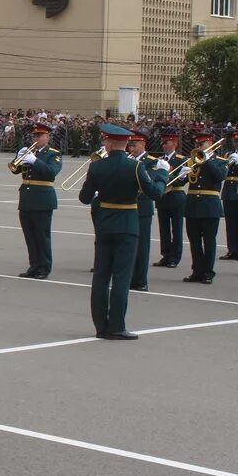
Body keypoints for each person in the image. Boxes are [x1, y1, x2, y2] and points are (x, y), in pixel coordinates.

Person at [78, 123, 169, 339]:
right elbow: (156, 194)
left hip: (104, 225)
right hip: (127, 225)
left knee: (101, 276)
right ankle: (117, 326)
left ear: (108, 143)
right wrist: (162, 175)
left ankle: (101, 326)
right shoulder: (135, 167)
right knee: (121, 278)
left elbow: (84, 198)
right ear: (126, 144)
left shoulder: (96, 166)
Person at [13, 121, 62, 279]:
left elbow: (50, 173)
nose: (36, 138)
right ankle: (33, 266)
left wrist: (34, 161)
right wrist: (19, 158)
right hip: (27, 198)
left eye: (39, 135)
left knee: (42, 236)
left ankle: (44, 267)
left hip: (42, 198)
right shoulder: (30, 151)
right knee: (30, 236)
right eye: (34, 136)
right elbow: (16, 170)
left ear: (47, 136)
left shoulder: (53, 154)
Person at [183, 129, 227, 285]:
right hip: (192, 205)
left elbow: (219, 176)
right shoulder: (192, 161)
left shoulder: (220, 161)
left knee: (209, 241)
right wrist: (181, 174)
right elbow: (182, 182)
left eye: (202, 144)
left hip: (210, 206)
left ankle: (208, 272)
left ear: (211, 145)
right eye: (198, 144)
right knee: (194, 241)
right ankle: (197, 271)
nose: (199, 147)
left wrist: (207, 161)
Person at [153, 128, 188, 269]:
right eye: (162, 142)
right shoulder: (160, 161)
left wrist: (165, 177)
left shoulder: (181, 159)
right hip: (163, 197)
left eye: (166, 142)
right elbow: (154, 177)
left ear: (174, 143)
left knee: (177, 228)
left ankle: (175, 257)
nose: (163, 145)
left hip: (176, 196)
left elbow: (182, 180)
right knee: (164, 228)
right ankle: (166, 255)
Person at [128, 131, 158, 292]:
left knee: (142, 246)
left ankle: (140, 280)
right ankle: (129, 276)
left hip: (142, 207)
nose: (132, 147)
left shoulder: (151, 162)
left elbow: (149, 184)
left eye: (135, 144)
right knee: (127, 245)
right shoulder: (127, 161)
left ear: (143, 144)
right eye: (130, 145)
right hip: (127, 206)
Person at [220, 129, 238, 261]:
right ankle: (232, 250)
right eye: (235, 141)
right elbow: (221, 173)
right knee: (230, 223)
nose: (236, 143)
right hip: (229, 191)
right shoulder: (228, 154)